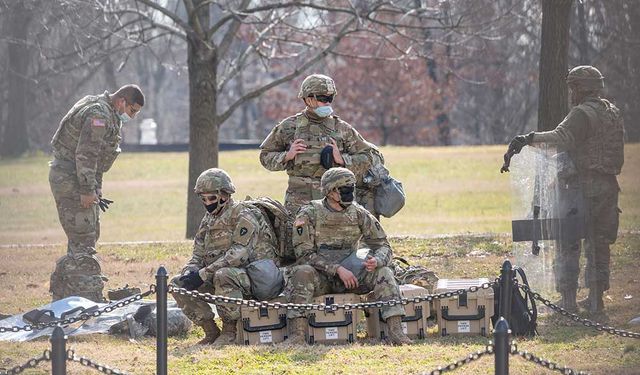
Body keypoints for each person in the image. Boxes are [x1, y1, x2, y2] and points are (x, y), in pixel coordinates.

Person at [508, 65, 624, 315]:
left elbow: (560, 137)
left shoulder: (582, 114)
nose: (571, 93)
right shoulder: (611, 112)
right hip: (608, 187)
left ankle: (569, 300)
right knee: (599, 244)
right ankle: (596, 300)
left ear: (582, 88)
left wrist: (528, 139)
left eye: (573, 87)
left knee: (568, 242)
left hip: (581, 187)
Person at [284, 167, 413, 345]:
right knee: (302, 272)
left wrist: (377, 260)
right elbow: (303, 254)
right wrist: (336, 269)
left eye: (351, 188)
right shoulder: (309, 213)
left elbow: (383, 245)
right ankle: (297, 336)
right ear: (330, 192)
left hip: (353, 276)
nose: (349, 193)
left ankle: (396, 332)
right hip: (322, 277)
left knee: (384, 273)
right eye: (344, 189)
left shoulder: (358, 212)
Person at [49, 84, 145, 303]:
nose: (131, 116)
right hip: (70, 178)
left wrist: (96, 187)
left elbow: (100, 157)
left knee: (81, 238)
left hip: (74, 176)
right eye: (132, 110)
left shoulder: (100, 107)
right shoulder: (98, 115)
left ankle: (64, 297)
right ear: (122, 101)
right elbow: (87, 154)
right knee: (84, 238)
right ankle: (85, 298)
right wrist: (86, 190)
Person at [170, 168, 282, 345]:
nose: (207, 203)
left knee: (224, 274)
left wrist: (202, 274)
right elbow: (198, 255)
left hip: (253, 279)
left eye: (212, 198)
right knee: (178, 284)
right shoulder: (208, 220)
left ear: (225, 195)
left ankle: (230, 331)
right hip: (219, 277)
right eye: (203, 199)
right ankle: (211, 331)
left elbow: (238, 255)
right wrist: (190, 271)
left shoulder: (244, 214)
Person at [259, 74, 376, 215]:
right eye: (322, 98)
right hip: (298, 202)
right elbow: (265, 156)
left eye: (330, 98)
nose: (327, 102)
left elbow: (368, 158)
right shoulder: (290, 127)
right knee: (297, 236)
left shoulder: (342, 128)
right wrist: (286, 156)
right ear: (308, 99)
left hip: (335, 200)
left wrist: (342, 160)